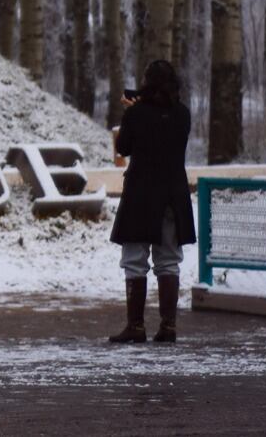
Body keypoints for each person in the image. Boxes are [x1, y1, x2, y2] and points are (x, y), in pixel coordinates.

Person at [108, 59, 196, 344]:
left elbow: (123, 147)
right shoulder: (183, 114)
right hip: (173, 194)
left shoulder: (137, 114)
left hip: (140, 196)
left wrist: (130, 114)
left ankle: (135, 327)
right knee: (168, 261)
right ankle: (168, 326)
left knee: (135, 260)